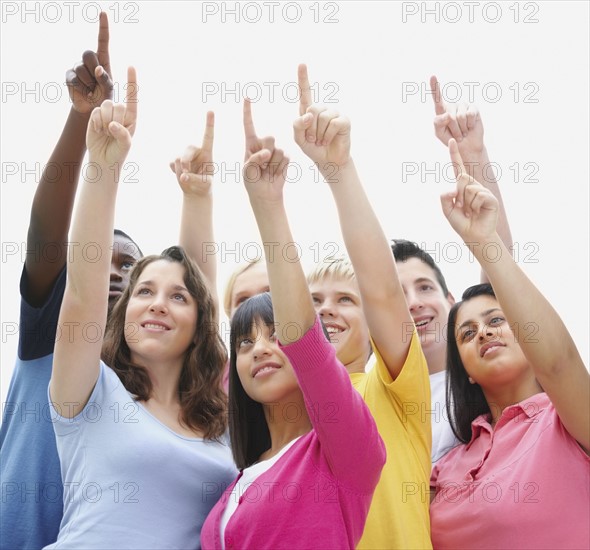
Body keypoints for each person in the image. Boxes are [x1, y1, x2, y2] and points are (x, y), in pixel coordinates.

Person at [46, 68, 236, 549]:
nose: (157, 305)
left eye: (177, 298)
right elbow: (85, 293)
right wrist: (104, 166)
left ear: (199, 323)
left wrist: (198, 197)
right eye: (144, 291)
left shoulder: (221, 424)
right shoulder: (91, 394)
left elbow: (203, 289)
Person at [200, 110, 385, 549]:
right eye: (244, 342)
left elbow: (304, 336)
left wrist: (268, 205)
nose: (260, 348)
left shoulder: (344, 449)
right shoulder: (238, 481)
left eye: (274, 335)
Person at [0, 15, 143, 549]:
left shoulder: (146, 376)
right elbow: (46, 231)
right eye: (101, 256)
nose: (113, 269)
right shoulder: (51, 332)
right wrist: (80, 122)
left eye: (131, 268)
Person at [429, 139, 590, 549]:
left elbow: (559, 363)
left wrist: (486, 242)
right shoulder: (448, 463)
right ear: (463, 366)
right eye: (466, 333)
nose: (483, 332)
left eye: (497, 320)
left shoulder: (567, 421)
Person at [297, 65, 431, 550]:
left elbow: (381, 288)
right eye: (313, 302)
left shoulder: (393, 389)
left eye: (344, 300)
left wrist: (338, 172)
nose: (327, 311)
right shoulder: (285, 403)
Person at [393, 75, 515, 463]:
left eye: (425, 288)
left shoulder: (486, 368)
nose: (414, 303)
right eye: (398, 295)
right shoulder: (376, 396)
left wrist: (473, 154)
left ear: (450, 301)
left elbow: (500, 269)